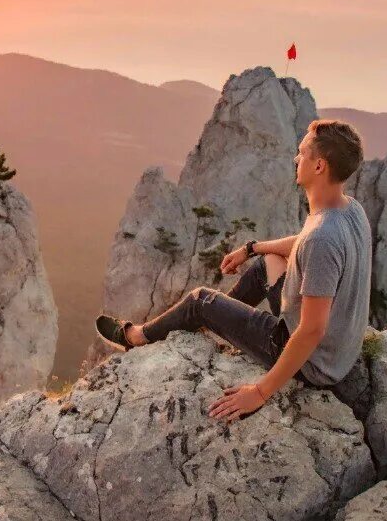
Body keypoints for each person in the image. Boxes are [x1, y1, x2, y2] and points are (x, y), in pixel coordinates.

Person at [95, 118, 371, 422]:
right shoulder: (349, 209)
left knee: (201, 299)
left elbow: (311, 331)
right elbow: (305, 245)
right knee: (268, 263)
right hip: (337, 348)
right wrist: (251, 248)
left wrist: (260, 392)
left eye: (302, 153)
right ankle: (216, 323)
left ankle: (136, 337)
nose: (296, 158)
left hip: (314, 363)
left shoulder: (323, 237)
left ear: (319, 166)